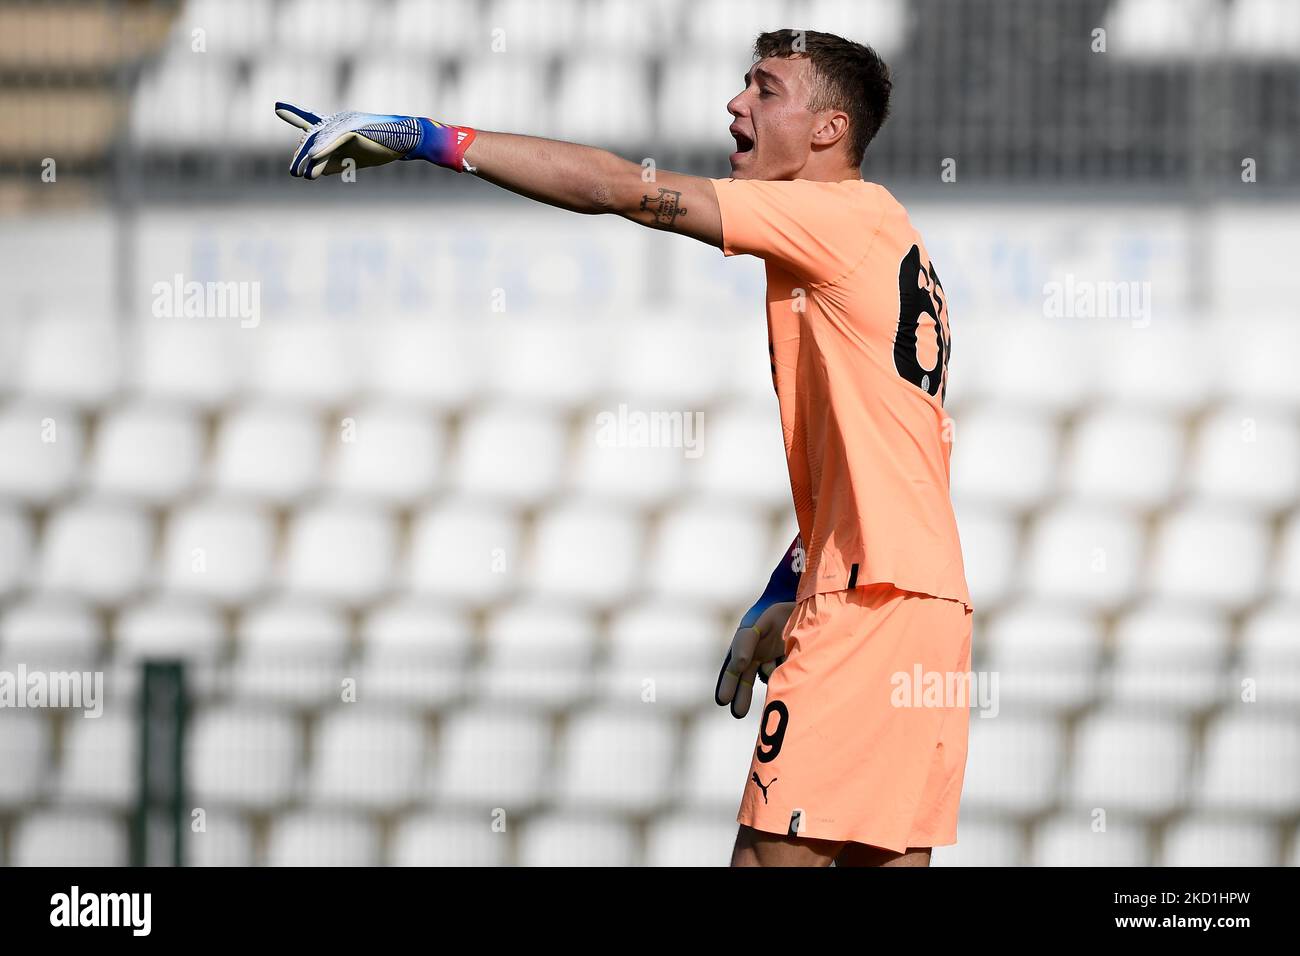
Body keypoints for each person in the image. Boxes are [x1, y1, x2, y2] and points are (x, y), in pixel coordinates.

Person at [278, 28, 973, 868]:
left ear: (828, 130)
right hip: (929, 610)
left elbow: (616, 187)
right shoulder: (889, 233)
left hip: (864, 612)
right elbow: (883, 461)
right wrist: (786, 584)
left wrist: (429, 138)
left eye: (765, 90)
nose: (736, 103)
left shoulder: (826, 219)